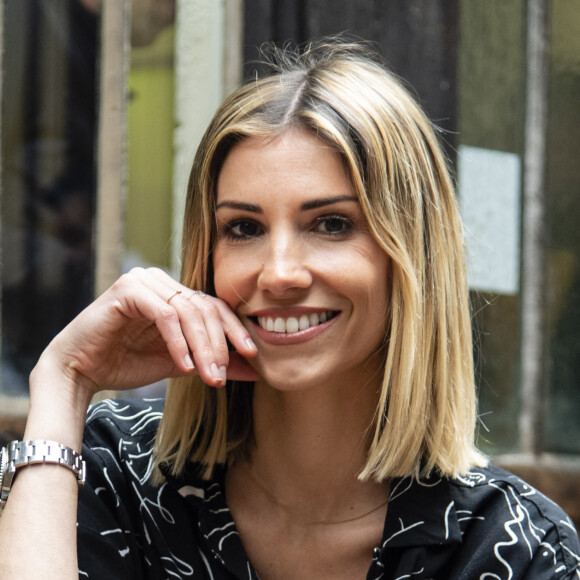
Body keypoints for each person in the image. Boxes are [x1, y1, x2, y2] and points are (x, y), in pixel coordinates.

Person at [0, 40, 579, 580]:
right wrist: (63, 380)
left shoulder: (513, 549)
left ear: (413, 258)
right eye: (243, 228)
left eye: (332, 224)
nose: (278, 273)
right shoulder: (116, 477)